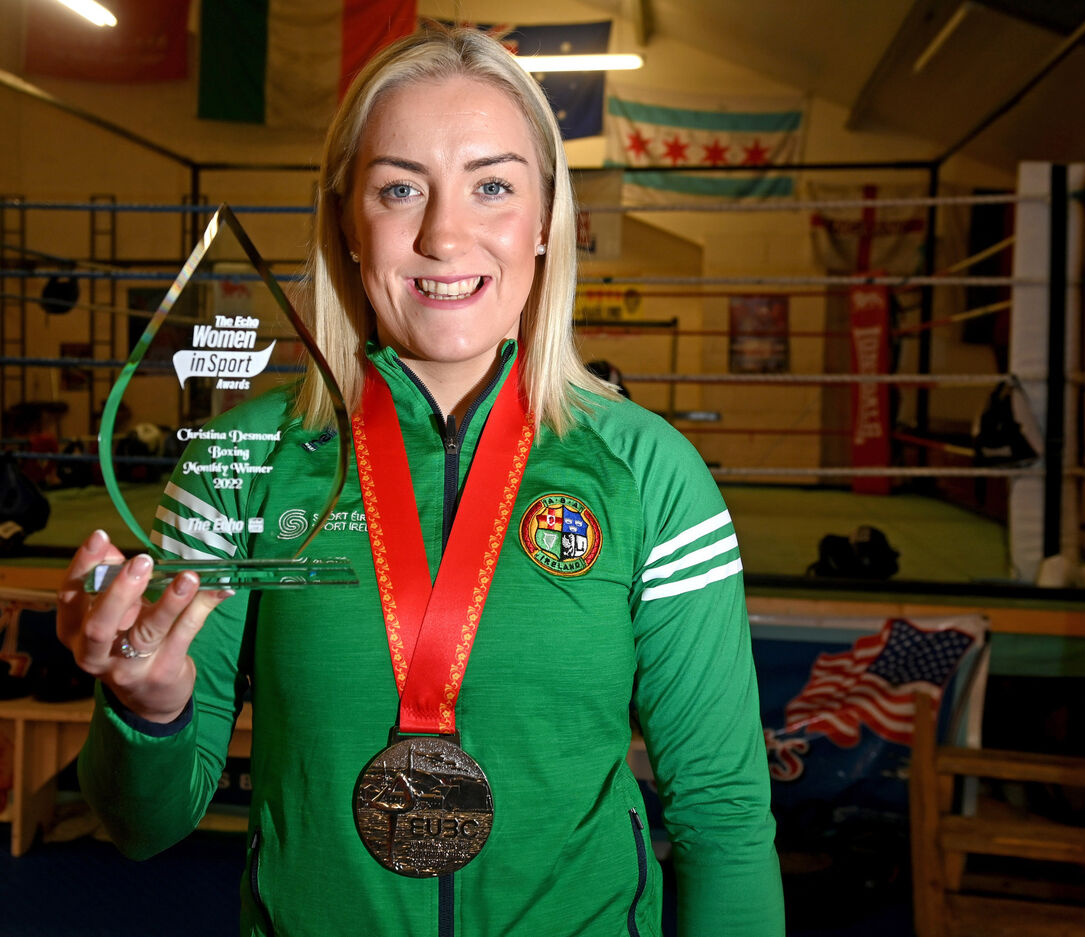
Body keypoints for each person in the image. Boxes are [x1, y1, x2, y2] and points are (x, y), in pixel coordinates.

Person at [57, 24, 784, 937]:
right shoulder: (238, 462)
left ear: (547, 220)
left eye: (492, 185)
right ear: (349, 226)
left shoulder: (650, 473)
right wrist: (146, 711)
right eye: (401, 188)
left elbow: (721, 814)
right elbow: (140, 825)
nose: (445, 234)